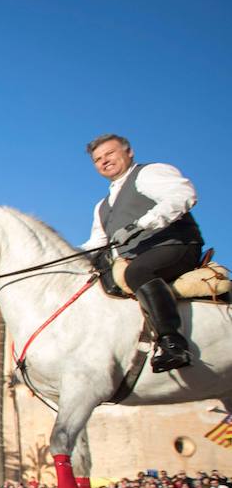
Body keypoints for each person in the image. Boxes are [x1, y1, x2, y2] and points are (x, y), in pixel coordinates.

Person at [81, 134, 203, 372]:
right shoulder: (102, 206)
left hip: (175, 245)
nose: (104, 161)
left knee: (137, 271)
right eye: (98, 159)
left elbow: (183, 195)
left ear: (129, 152)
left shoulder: (149, 173)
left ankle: (172, 343)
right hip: (134, 257)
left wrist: (141, 224)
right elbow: (97, 243)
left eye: (110, 153)